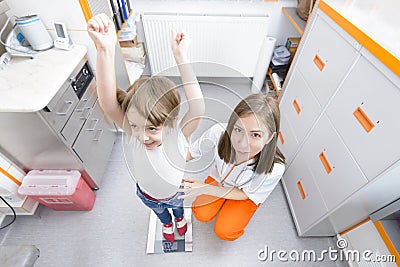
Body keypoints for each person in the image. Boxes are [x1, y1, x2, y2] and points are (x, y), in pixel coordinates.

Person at [87, 14, 204, 243]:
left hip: (175, 193)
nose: (142, 136)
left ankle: (178, 219)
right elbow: (108, 103)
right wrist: (105, 50)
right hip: (147, 195)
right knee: (160, 214)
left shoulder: (177, 136)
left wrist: (181, 56)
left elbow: (198, 106)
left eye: (152, 128)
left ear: (171, 122)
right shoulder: (133, 134)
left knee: (177, 210)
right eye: (135, 126)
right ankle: (167, 223)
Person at [179, 94, 285, 241]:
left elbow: (245, 194)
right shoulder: (219, 132)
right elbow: (191, 152)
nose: (242, 143)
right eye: (238, 130)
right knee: (201, 214)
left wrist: (204, 188)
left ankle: (231, 211)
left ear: (269, 137)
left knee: (225, 231)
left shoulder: (275, 169)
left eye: (255, 135)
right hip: (220, 179)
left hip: (244, 194)